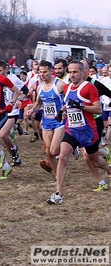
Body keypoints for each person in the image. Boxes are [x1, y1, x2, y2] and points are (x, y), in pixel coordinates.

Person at [47, 60, 111, 204]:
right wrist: (61, 112)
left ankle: (109, 170)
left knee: (94, 161)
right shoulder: (68, 87)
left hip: (88, 131)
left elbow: (98, 109)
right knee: (63, 157)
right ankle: (58, 194)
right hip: (72, 130)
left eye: (75, 72)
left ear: (83, 72)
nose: (72, 75)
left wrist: (81, 106)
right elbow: (67, 104)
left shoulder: (89, 88)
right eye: (70, 72)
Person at [27, 60, 65, 182]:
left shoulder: (60, 84)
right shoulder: (40, 87)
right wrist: (32, 110)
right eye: (40, 72)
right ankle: (57, 176)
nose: (42, 75)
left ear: (51, 71)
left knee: (54, 150)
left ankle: (69, 146)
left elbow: (70, 98)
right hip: (47, 121)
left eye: (45, 72)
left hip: (59, 122)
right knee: (49, 152)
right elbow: (39, 103)